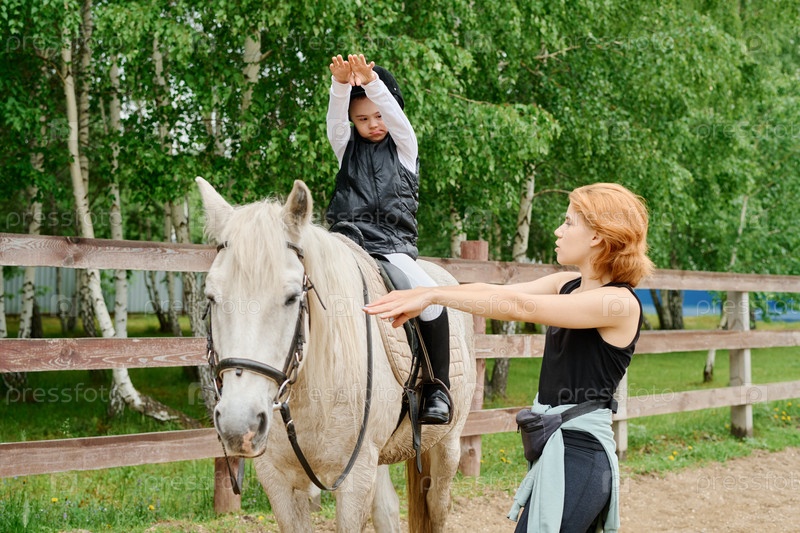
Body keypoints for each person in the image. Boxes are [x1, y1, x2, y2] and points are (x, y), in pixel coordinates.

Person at [364, 182, 655, 532]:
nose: (558, 231)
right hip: (558, 451)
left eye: (568, 222)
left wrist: (432, 297)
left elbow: (519, 306)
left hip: (581, 456)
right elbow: (494, 292)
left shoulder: (618, 303)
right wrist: (430, 291)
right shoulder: (567, 284)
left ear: (597, 236)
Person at [325, 53, 453, 424]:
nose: (373, 124)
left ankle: (437, 388)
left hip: (391, 247)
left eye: (378, 115)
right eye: (362, 119)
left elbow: (396, 119)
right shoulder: (345, 148)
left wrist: (372, 83)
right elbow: (335, 121)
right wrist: (339, 86)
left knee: (431, 301)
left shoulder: (405, 148)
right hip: (346, 242)